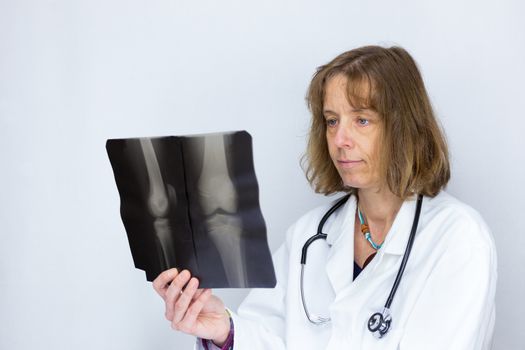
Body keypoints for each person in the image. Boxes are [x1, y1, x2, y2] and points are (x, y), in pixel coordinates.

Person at [152, 45, 497, 349]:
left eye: (362, 120)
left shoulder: (457, 239)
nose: (340, 139)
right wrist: (224, 331)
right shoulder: (309, 236)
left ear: (404, 128)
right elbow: (269, 336)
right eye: (332, 121)